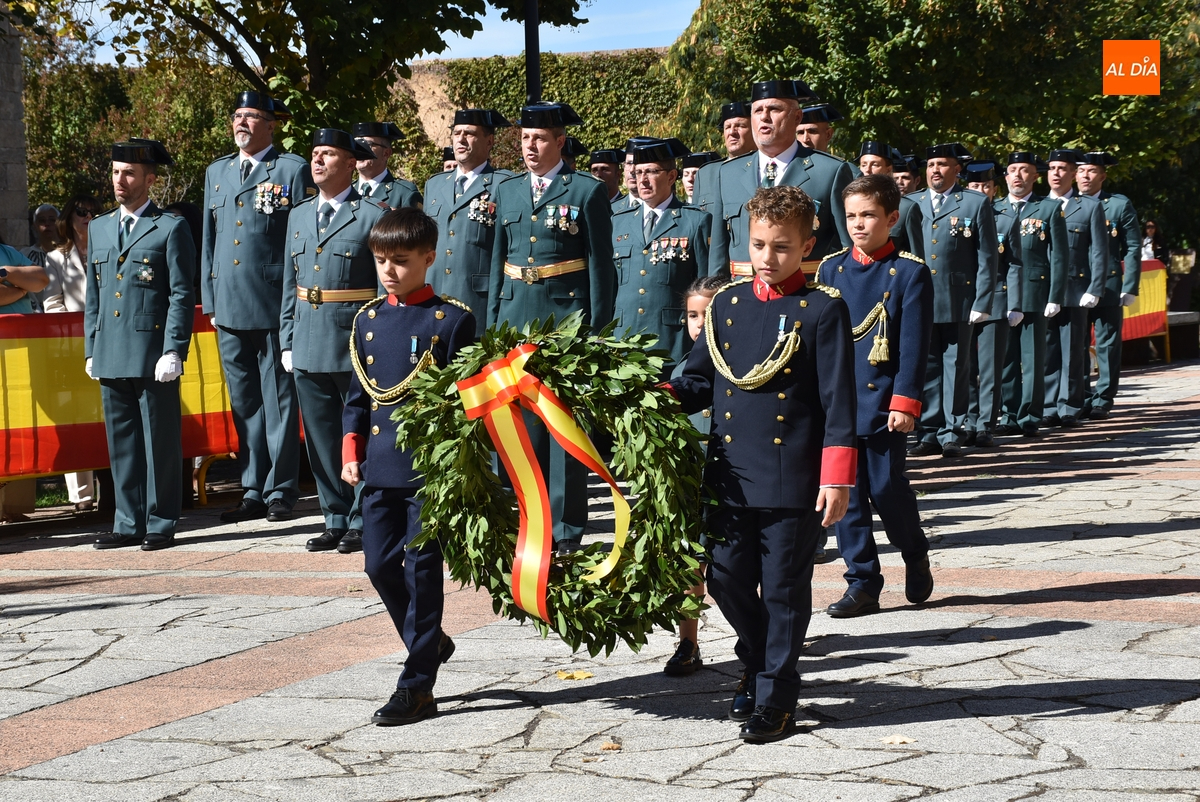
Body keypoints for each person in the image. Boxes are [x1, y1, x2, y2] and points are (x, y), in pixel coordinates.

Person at [668, 185, 856, 743]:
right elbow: (700, 378)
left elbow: (839, 402)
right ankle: (756, 657)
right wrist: (653, 393)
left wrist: (837, 478)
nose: (768, 258)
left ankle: (776, 695)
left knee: (781, 590)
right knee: (724, 579)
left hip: (790, 475)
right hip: (729, 471)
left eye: (781, 247)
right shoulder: (727, 303)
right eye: (758, 246)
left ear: (806, 245)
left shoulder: (823, 310)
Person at [341, 207, 473, 725]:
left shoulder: (451, 319)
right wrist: (352, 451)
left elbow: (468, 399)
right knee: (377, 566)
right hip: (380, 467)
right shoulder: (368, 319)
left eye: (401, 260)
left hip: (428, 471)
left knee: (422, 573)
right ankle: (431, 642)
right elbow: (358, 397)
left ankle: (416, 685)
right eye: (381, 261)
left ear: (429, 258)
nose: (390, 270)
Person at [487, 101, 615, 553]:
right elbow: (496, 263)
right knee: (523, 426)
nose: (531, 147)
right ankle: (530, 517)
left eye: (540, 139)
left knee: (563, 427)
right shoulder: (506, 189)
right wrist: (492, 327)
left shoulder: (586, 190)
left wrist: (597, 332)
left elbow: (601, 266)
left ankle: (565, 528)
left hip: (567, 322)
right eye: (525, 138)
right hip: (514, 317)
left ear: (560, 141)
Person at [816, 174, 934, 617]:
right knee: (844, 492)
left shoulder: (909, 272)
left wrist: (905, 402)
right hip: (840, 403)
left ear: (891, 218)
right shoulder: (832, 268)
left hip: (883, 401)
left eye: (868, 215)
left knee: (887, 489)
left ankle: (913, 550)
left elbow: (912, 344)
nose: (858, 225)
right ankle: (862, 581)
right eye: (851, 216)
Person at [201, 90, 312, 524]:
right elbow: (210, 241)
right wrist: (210, 299)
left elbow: (299, 237)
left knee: (279, 400)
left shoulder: (290, 168)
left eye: (250, 117)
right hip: (228, 305)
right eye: (236, 116)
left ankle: (281, 488)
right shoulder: (217, 171)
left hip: (271, 301)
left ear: (271, 124)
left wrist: (294, 301)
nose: (241, 123)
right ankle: (251, 486)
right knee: (244, 400)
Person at [280, 129, 386, 555]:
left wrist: (380, 343)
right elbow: (291, 283)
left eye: (328, 154)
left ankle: (363, 516)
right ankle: (334, 516)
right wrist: (286, 338)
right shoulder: (299, 215)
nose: (317, 160)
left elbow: (382, 289)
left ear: (349, 163)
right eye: (314, 153)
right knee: (321, 436)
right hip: (306, 337)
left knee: (358, 431)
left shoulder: (372, 215)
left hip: (352, 340)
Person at [85, 139, 195, 551]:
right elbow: (93, 295)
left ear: (149, 180)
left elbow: (181, 294)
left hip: (152, 352)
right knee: (123, 443)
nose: (119, 179)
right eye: (115, 172)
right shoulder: (98, 227)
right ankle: (127, 520)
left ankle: (160, 521)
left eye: (129, 173)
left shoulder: (169, 227)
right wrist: (90, 348)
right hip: (112, 350)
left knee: (160, 441)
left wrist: (174, 349)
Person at [708, 80, 854, 280]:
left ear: (797, 117)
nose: (764, 117)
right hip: (741, 296)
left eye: (774, 109)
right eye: (758, 111)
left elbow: (848, 250)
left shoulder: (830, 171)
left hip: (805, 295)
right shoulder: (727, 173)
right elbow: (718, 251)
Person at [906, 143, 997, 458]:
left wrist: (982, 301)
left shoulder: (974, 203)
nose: (935, 170)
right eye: (930, 164)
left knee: (957, 367)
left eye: (942, 164)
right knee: (927, 367)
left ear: (957, 170)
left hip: (960, 299)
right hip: (920, 299)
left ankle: (952, 431)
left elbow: (987, 258)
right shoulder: (911, 203)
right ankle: (929, 431)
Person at [663, 274, 725, 677]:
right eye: (692, 315)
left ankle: (755, 636)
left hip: (728, 480)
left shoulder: (737, 361)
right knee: (685, 563)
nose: (699, 323)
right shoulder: (682, 366)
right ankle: (688, 643)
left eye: (709, 314)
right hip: (689, 479)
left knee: (731, 570)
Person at [611, 138, 711, 375]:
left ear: (671, 176)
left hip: (671, 343)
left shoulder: (695, 221)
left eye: (651, 172)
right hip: (623, 342)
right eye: (637, 173)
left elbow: (705, 285)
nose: (642, 180)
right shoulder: (618, 221)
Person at [995, 152, 1068, 438]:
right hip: (1002, 295)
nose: (1017, 176)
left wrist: (1055, 295)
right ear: (1005, 176)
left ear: (1034, 176)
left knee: (1033, 358)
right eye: (1012, 170)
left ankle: (1029, 415)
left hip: (1035, 293)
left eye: (1024, 170)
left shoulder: (1048, 209)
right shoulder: (994, 208)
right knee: (1006, 358)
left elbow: (1059, 256)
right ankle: (1009, 413)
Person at [425, 108, 514, 336]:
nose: (461, 139)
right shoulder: (434, 185)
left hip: (477, 306)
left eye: (470, 133)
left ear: (489, 141)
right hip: (432, 304)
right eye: (456, 133)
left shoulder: (504, 185)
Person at [42, 195, 101, 511]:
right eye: (81, 211)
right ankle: (81, 497)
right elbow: (52, 303)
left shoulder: (110, 247)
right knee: (76, 417)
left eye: (94, 211)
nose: (88, 216)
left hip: (110, 343)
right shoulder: (55, 257)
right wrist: (76, 332)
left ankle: (115, 490)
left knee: (108, 415)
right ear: (69, 216)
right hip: (72, 347)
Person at [1042, 148, 1106, 428]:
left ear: (1073, 173)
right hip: (1041, 291)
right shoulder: (1037, 206)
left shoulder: (1089, 207)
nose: (1056, 174)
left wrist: (1095, 287)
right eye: (1052, 168)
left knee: (1071, 351)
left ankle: (1069, 405)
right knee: (1045, 351)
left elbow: (1099, 252)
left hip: (1075, 290)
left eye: (1062, 169)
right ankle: (1045, 405)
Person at [1076, 151, 1141, 421]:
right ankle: (1079, 395)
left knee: (1107, 345)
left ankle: (1103, 398)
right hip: (1075, 285)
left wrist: (1131, 285)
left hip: (1110, 285)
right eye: (1081, 171)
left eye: (1091, 171)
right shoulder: (1064, 204)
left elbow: (1133, 246)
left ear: (1103, 176)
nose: (1085, 176)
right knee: (1075, 344)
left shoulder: (1117, 205)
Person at [962, 161, 1019, 447]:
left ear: (995, 189)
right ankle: (968, 421)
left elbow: (1014, 264)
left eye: (986, 186)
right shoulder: (958, 218)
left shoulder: (1006, 220)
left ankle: (985, 424)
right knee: (964, 367)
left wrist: (1015, 303)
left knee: (989, 367)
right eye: (975, 186)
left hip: (995, 299)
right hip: (962, 300)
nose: (981, 191)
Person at [856, 140, 924, 258]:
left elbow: (916, 258)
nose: (867, 170)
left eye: (875, 165)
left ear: (888, 169)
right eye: (863, 165)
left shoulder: (906, 208)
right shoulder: (850, 204)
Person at [691, 101, 754, 216]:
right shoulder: (706, 174)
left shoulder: (762, 168)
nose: (732, 132)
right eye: (727, 127)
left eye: (740, 126)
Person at [352, 121, 422, 211]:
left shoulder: (405, 193)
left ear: (386, 153)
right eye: (356, 145)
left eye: (367, 145)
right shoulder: (346, 192)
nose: (360, 151)